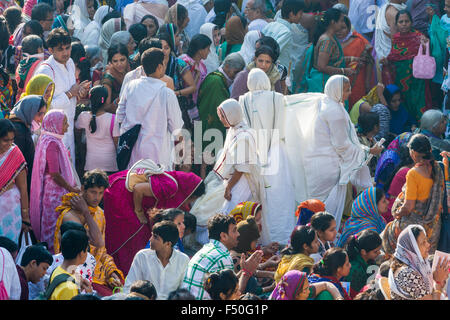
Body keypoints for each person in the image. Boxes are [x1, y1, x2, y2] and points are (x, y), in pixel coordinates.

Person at [284, 75, 382, 231]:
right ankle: (319, 240)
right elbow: (342, 146)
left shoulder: (323, 102)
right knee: (324, 211)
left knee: (314, 206)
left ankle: (306, 238)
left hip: (314, 164)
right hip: (328, 168)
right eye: (346, 90)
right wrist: (369, 150)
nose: (349, 93)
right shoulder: (335, 111)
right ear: (336, 90)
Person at [103, 161, 204, 275]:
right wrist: (139, 211)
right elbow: (138, 188)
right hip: (121, 193)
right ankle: (120, 270)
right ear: (190, 193)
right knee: (135, 232)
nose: (190, 202)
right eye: (193, 199)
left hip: (131, 196)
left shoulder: (176, 184)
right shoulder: (172, 187)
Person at [238, 68, 295, 244]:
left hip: (255, 151)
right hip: (277, 151)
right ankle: (284, 237)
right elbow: (283, 126)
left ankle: (263, 239)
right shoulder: (277, 98)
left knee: (261, 198)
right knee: (281, 197)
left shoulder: (244, 99)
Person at [53, 169, 124, 296]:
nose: (97, 197)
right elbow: (97, 242)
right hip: (75, 274)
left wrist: (110, 272)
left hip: (98, 275)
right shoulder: (70, 215)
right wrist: (86, 212)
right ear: (83, 189)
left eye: (101, 193)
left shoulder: (99, 213)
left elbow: (102, 251)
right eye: (93, 192)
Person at [116, 48, 183, 170]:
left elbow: (119, 116)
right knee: (156, 186)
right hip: (158, 153)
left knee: (133, 184)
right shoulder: (167, 94)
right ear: (159, 66)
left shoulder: (130, 86)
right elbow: (176, 128)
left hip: (133, 150)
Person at [34, 28, 91, 166]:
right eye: (60, 49)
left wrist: (79, 92)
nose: (65, 52)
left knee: (69, 167)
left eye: (68, 48)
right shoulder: (46, 70)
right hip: (52, 131)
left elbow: (72, 92)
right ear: (51, 50)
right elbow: (42, 105)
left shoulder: (70, 63)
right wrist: (70, 93)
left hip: (68, 126)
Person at [382, 134, 445, 256]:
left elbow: (408, 207)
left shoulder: (413, 173)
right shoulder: (438, 168)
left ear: (413, 153)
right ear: (430, 150)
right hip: (433, 229)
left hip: (415, 228)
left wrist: (397, 213)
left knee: (387, 236)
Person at [29, 110, 80, 253]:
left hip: (54, 191)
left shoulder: (51, 139)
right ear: (54, 124)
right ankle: (52, 255)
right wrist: (71, 188)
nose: (68, 126)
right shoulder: (52, 143)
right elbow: (55, 173)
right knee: (53, 226)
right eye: (64, 123)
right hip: (53, 194)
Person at [181, 214, 263, 300]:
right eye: (234, 230)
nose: (238, 234)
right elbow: (232, 295)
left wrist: (244, 270)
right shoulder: (222, 257)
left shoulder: (207, 249)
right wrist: (246, 273)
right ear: (223, 236)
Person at [213, 99, 266, 216]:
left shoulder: (243, 136)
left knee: (231, 213)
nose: (220, 119)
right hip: (238, 179)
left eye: (223, 115)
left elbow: (241, 168)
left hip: (244, 181)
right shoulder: (235, 130)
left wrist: (229, 187)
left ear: (232, 114)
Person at [124, 221, 190, 300]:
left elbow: (185, 291)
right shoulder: (142, 256)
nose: (150, 239)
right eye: (152, 235)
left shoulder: (183, 260)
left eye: (155, 237)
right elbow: (128, 287)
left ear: (168, 244)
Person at [384, 9, 430, 121]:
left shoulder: (419, 37)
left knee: (418, 102)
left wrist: (425, 44)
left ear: (411, 22)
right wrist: (386, 61)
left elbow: (425, 55)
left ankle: (421, 127)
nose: (404, 24)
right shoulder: (395, 38)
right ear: (397, 24)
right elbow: (393, 57)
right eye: (401, 22)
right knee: (402, 102)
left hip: (416, 81)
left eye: (406, 21)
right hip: (400, 80)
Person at [197, 52, 245, 156]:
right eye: (236, 72)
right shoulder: (216, 82)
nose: (236, 76)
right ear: (227, 66)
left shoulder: (219, 80)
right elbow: (220, 111)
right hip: (210, 128)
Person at [388, 224, 449, 300]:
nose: (428, 245)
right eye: (423, 243)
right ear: (412, 249)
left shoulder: (415, 266)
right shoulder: (407, 274)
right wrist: (438, 282)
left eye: (426, 240)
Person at [302, 8, 351, 95]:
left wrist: (352, 59)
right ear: (333, 22)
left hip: (328, 82)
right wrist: (344, 71)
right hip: (323, 84)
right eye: (341, 21)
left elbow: (333, 60)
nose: (343, 24)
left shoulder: (331, 38)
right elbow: (322, 66)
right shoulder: (327, 41)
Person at [158, 24, 196, 129]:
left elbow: (192, 87)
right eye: (160, 48)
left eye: (167, 48)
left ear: (171, 48)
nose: (163, 51)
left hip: (178, 107)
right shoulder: (153, 65)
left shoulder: (179, 63)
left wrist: (176, 93)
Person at [75, 85, 119, 173]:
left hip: (91, 164)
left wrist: (80, 146)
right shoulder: (113, 119)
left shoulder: (83, 116)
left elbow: (77, 129)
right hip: (110, 164)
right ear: (106, 100)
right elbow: (116, 144)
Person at [0, 119, 30, 245]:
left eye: (12, 139)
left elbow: (23, 189)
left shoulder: (15, 154)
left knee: (9, 248)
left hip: (10, 212)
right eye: (6, 140)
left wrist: (25, 218)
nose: (10, 143)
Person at [9, 95, 46, 191]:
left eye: (43, 114)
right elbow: (18, 165)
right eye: (39, 114)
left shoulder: (23, 126)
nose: (42, 118)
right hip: (19, 186)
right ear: (30, 111)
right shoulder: (18, 131)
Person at [335, 15, 373, 108]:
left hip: (357, 82)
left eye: (343, 28)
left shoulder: (359, 41)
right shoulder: (329, 41)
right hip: (337, 82)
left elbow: (369, 61)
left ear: (349, 28)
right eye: (337, 29)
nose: (339, 32)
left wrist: (367, 83)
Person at [262, 0, 305, 80]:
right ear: (292, 14)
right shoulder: (286, 32)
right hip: (278, 76)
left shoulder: (270, 25)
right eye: (300, 13)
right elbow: (272, 53)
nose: (301, 16)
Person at [49, 230, 92, 300]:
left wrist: (78, 291)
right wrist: (89, 295)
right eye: (86, 251)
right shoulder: (70, 288)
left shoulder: (57, 270)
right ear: (81, 253)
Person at [343, 230, 382, 298]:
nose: (379, 253)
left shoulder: (369, 261)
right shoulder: (354, 269)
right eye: (375, 252)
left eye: (379, 250)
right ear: (363, 252)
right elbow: (353, 294)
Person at [269, 270, 343, 300]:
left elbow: (326, 284)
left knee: (325, 294)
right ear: (297, 295)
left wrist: (339, 298)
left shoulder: (293, 290)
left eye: (308, 287)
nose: (309, 291)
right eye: (306, 289)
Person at [101, 44, 130, 113]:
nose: (119, 64)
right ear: (110, 62)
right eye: (115, 61)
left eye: (122, 60)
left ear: (127, 59)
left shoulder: (128, 70)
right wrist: (117, 102)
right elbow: (105, 108)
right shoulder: (108, 79)